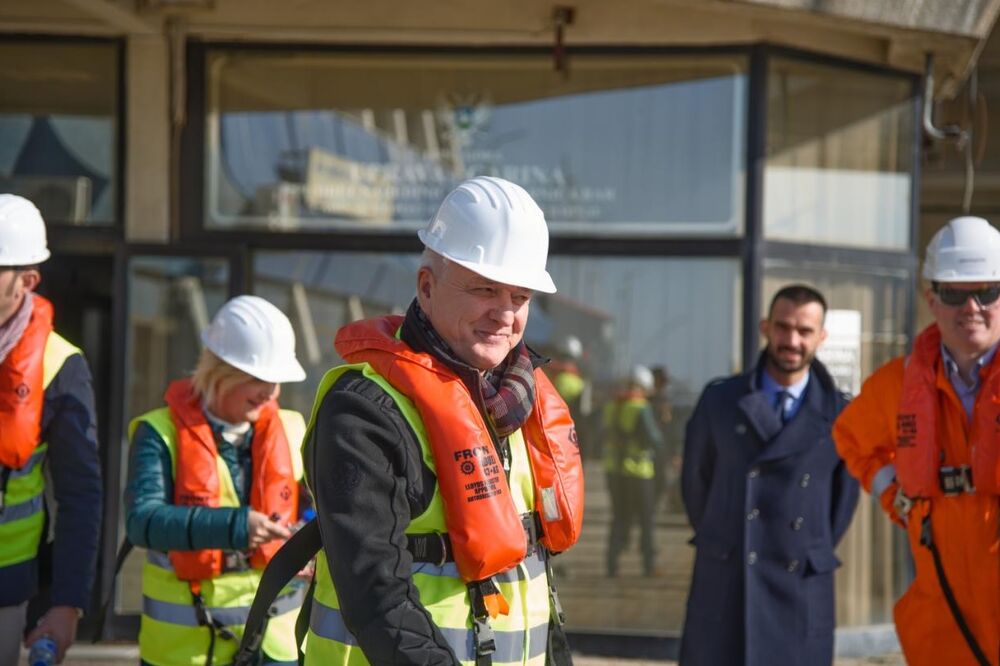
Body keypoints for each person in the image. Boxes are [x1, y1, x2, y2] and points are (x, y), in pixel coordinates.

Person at [301, 176, 584, 665]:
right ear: (426, 287)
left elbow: (534, 577)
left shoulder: (519, 401)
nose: (504, 313)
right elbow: (376, 593)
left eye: (520, 297)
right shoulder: (363, 410)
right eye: (484, 289)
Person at [834, 216, 1000, 666]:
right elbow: (852, 438)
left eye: (987, 291)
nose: (972, 307)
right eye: (954, 292)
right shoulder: (896, 386)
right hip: (943, 626)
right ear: (932, 299)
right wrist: (895, 495)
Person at [124, 295, 309, 666]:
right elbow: (142, 522)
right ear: (221, 370)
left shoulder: (291, 428)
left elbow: (315, 509)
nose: (270, 393)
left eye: (276, 381)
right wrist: (237, 526)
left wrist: (306, 542)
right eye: (258, 379)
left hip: (275, 645)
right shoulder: (158, 433)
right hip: (186, 647)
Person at [680, 284, 858, 666]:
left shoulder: (842, 415)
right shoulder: (720, 401)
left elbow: (841, 507)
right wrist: (728, 535)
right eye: (783, 327)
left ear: (821, 337)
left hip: (801, 588)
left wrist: (806, 546)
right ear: (765, 327)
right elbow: (696, 485)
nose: (791, 340)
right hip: (728, 582)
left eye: (805, 331)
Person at [0, 194, 101, 666]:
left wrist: (66, 603)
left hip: (5, 591)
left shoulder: (61, 366)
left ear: (27, 281)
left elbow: (81, 495)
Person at [602, 364, 663, 577]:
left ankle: (611, 563)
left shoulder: (613, 406)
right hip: (639, 472)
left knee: (619, 517)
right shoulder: (640, 408)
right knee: (646, 519)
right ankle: (649, 564)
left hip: (614, 471)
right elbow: (655, 439)